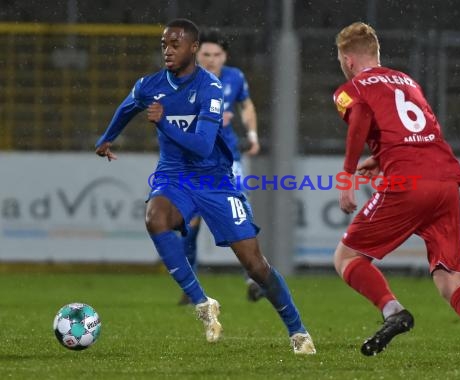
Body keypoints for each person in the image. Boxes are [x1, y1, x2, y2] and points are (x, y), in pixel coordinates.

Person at [94, 18, 315, 354]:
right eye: (164, 45)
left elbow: (201, 145)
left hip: (215, 180)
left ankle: (297, 330)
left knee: (254, 265)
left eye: (175, 44)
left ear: (193, 48)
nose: (168, 51)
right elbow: (127, 107)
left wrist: (163, 120)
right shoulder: (149, 85)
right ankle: (201, 302)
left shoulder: (210, 88)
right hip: (174, 175)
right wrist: (107, 139)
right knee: (155, 218)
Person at [332, 22, 460, 368]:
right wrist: (381, 158)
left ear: (348, 59)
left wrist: (348, 175)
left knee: (347, 257)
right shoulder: (407, 81)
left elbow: (362, 117)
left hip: (407, 183)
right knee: (450, 280)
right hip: (444, 179)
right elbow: (423, 129)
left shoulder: (349, 89)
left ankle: (393, 312)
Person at [178, 28, 265, 305]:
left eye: (217, 55)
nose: (212, 59)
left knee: (237, 215)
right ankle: (190, 284)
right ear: (196, 53)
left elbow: (247, 106)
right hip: (192, 162)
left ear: (224, 56)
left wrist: (251, 135)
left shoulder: (234, 77)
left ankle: (254, 277)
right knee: (189, 224)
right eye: (206, 54)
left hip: (227, 161)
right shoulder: (182, 78)